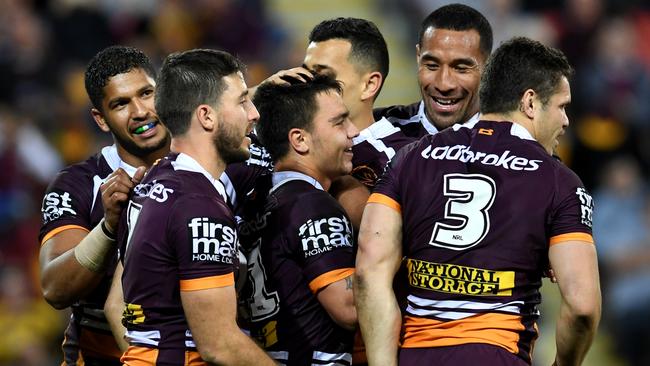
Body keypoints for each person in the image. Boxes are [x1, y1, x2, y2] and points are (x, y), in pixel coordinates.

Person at [355, 37, 601, 366]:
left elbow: (368, 272)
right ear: (530, 103)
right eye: (562, 106)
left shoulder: (410, 158)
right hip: (497, 353)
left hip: (417, 354)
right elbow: (583, 308)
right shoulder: (559, 181)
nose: (566, 121)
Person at [117, 48, 274, 365]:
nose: (254, 113)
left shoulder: (153, 182)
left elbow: (117, 305)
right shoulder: (198, 206)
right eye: (242, 101)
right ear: (206, 116)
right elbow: (219, 345)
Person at [38, 45, 170, 365]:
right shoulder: (78, 184)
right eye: (121, 103)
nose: (140, 111)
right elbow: (55, 288)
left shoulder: (210, 164)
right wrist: (109, 226)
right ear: (101, 119)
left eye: (147, 93)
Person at [237, 75, 359, 365]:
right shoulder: (312, 204)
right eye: (340, 122)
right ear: (300, 140)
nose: (353, 132)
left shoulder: (255, 200)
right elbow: (349, 307)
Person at [375, 3, 493, 137]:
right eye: (432, 66)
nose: (444, 85)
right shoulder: (378, 130)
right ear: (418, 57)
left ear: (489, 67)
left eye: (461, 69)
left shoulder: (513, 142)